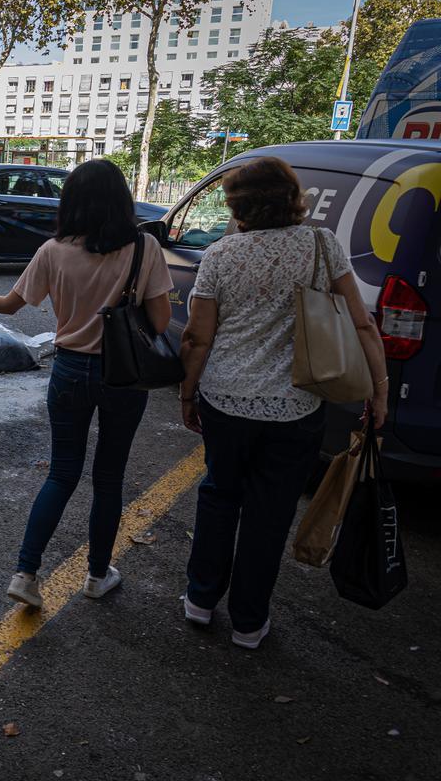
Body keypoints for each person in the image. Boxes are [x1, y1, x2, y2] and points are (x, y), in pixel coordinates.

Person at [0, 159, 173, 606]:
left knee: (61, 473)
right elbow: (160, 320)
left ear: (71, 200)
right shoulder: (142, 248)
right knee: (109, 479)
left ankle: (26, 572)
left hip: (70, 369)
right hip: (123, 375)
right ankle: (97, 575)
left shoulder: (54, 250)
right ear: (121, 200)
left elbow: (11, 304)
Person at [178, 156, 388, 649]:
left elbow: (197, 337)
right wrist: (378, 391)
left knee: (219, 496)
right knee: (269, 513)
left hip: (225, 399)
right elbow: (361, 325)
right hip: (296, 406)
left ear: (237, 205)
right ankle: (249, 623)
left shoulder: (222, 255)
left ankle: (200, 601)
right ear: (294, 197)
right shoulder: (321, 245)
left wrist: (189, 393)